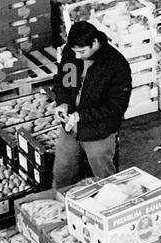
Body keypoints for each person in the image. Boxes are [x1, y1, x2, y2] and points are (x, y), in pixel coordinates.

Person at [52, 21, 132, 188]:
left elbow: (115, 106)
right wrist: (63, 103)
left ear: (95, 43)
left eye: (82, 51)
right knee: (62, 173)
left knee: (105, 181)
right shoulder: (72, 52)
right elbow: (65, 81)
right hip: (69, 127)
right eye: (74, 51)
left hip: (99, 132)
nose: (77, 56)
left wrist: (81, 116)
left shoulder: (116, 65)